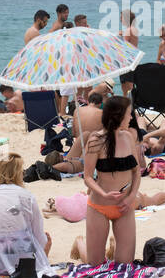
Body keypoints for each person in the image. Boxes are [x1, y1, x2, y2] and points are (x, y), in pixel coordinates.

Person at [81, 97, 141, 265]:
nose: (131, 118)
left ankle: (113, 247)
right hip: (99, 206)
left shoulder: (129, 137)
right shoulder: (95, 140)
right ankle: (80, 244)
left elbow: (137, 173)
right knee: (95, 264)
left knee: (124, 264)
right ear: (118, 115)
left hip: (125, 206)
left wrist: (131, 198)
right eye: (129, 114)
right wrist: (104, 194)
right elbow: (87, 177)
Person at [0, 152, 52, 278]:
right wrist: (44, 248)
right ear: (17, 173)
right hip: (24, 264)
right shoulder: (27, 197)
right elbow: (38, 235)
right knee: (38, 239)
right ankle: (38, 259)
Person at [50, 91, 104, 174]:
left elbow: (74, 133)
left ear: (88, 101)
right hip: (92, 147)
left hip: (79, 143)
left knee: (87, 134)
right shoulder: (102, 113)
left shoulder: (77, 110)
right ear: (100, 104)